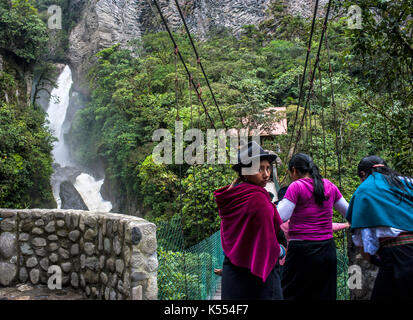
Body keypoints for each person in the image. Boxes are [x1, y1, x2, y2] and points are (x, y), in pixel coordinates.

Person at [214, 141, 285, 300]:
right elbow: (267, 239)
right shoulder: (258, 198)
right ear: (245, 173)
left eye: (268, 168)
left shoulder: (231, 197)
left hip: (233, 268)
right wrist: (281, 251)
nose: (266, 174)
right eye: (260, 169)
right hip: (260, 274)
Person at [276, 153, 349, 300]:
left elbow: (281, 216)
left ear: (294, 170)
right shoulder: (329, 185)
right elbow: (349, 212)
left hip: (302, 251)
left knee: (291, 293)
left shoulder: (296, 186)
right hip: (327, 249)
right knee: (324, 294)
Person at [346, 155, 413, 300]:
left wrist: (374, 258)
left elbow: (364, 246)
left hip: (398, 255)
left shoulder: (364, 190)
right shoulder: (407, 182)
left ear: (363, 174)